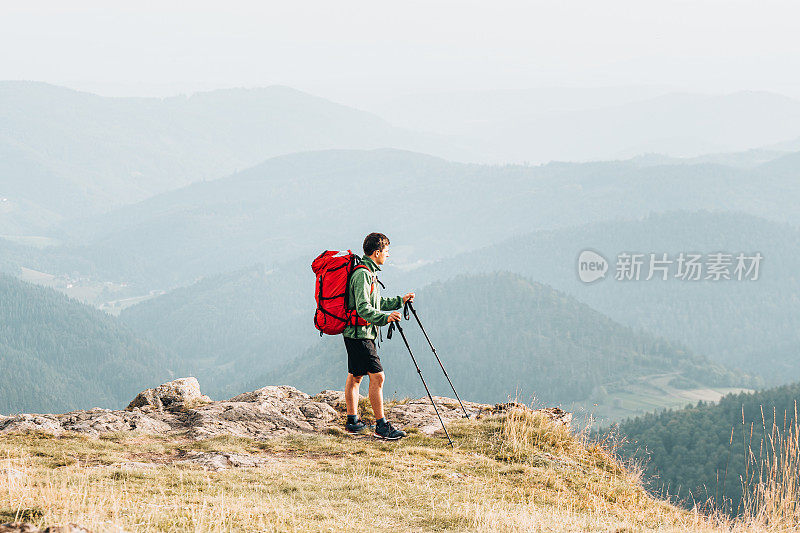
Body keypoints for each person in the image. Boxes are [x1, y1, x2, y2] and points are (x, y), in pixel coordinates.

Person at [343, 232, 414, 439]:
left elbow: (376, 303)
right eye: (386, 251)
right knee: (378, 377)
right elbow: (364, 308)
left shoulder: (368, 272)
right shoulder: (363, 274)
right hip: (360, 334)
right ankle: (381, 426)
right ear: (377, 252)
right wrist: (385, 319)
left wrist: (400, 301)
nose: (388, 255)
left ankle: (352, 421)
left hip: (357, 332)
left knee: (355, 376)